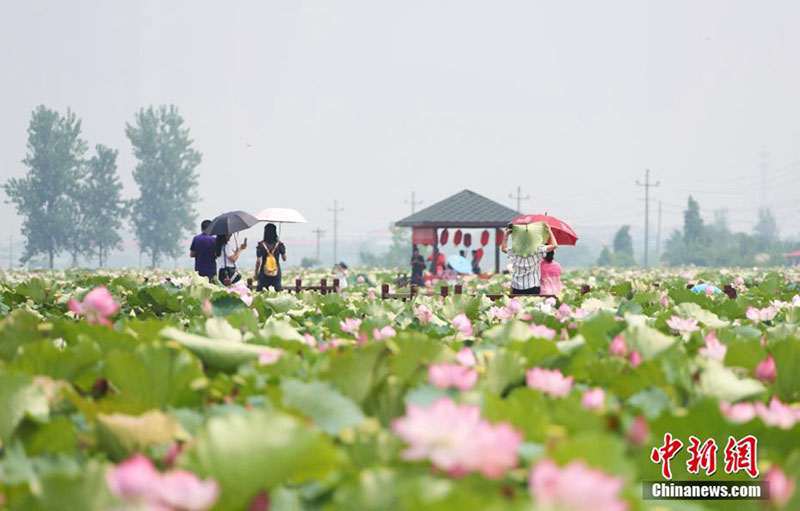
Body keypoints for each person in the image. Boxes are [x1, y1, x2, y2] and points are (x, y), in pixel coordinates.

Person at [501, 222, 558, 295]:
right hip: (533, 286)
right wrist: (549, 231)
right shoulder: (538, 250)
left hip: (517, 287)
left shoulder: (514, 251)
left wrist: (506, 235)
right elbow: (554, 245)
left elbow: (503, 248)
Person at [254, 223, 286, 291]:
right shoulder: (279, 244)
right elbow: (284, 259)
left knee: (262, 291)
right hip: (275, 272)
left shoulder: (261, 245)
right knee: (276, 291)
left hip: (264, 272)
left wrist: (256, 273)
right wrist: (281, 249)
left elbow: (258, 260)